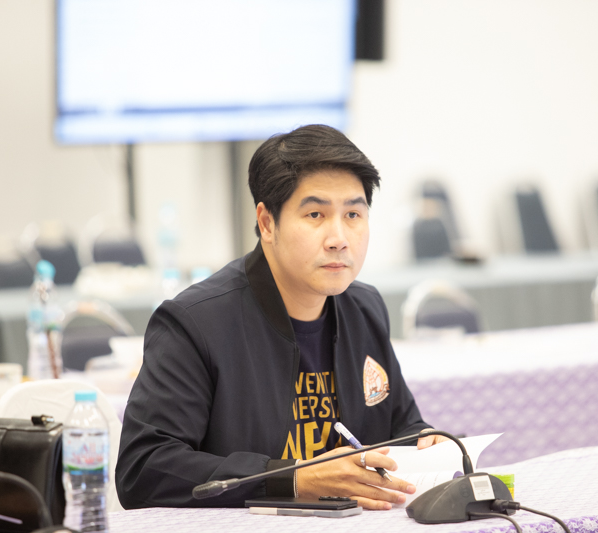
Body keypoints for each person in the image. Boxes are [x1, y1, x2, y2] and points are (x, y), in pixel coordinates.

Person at [116, 124, 446, 510]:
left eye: (353, 214)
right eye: (315, 214)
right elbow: (144, 468)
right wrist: (290, 479)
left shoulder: (365, 308)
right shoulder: (195, 323)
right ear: (267, 222)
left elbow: (401, 428)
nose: (339, 238)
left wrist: (427, 442)